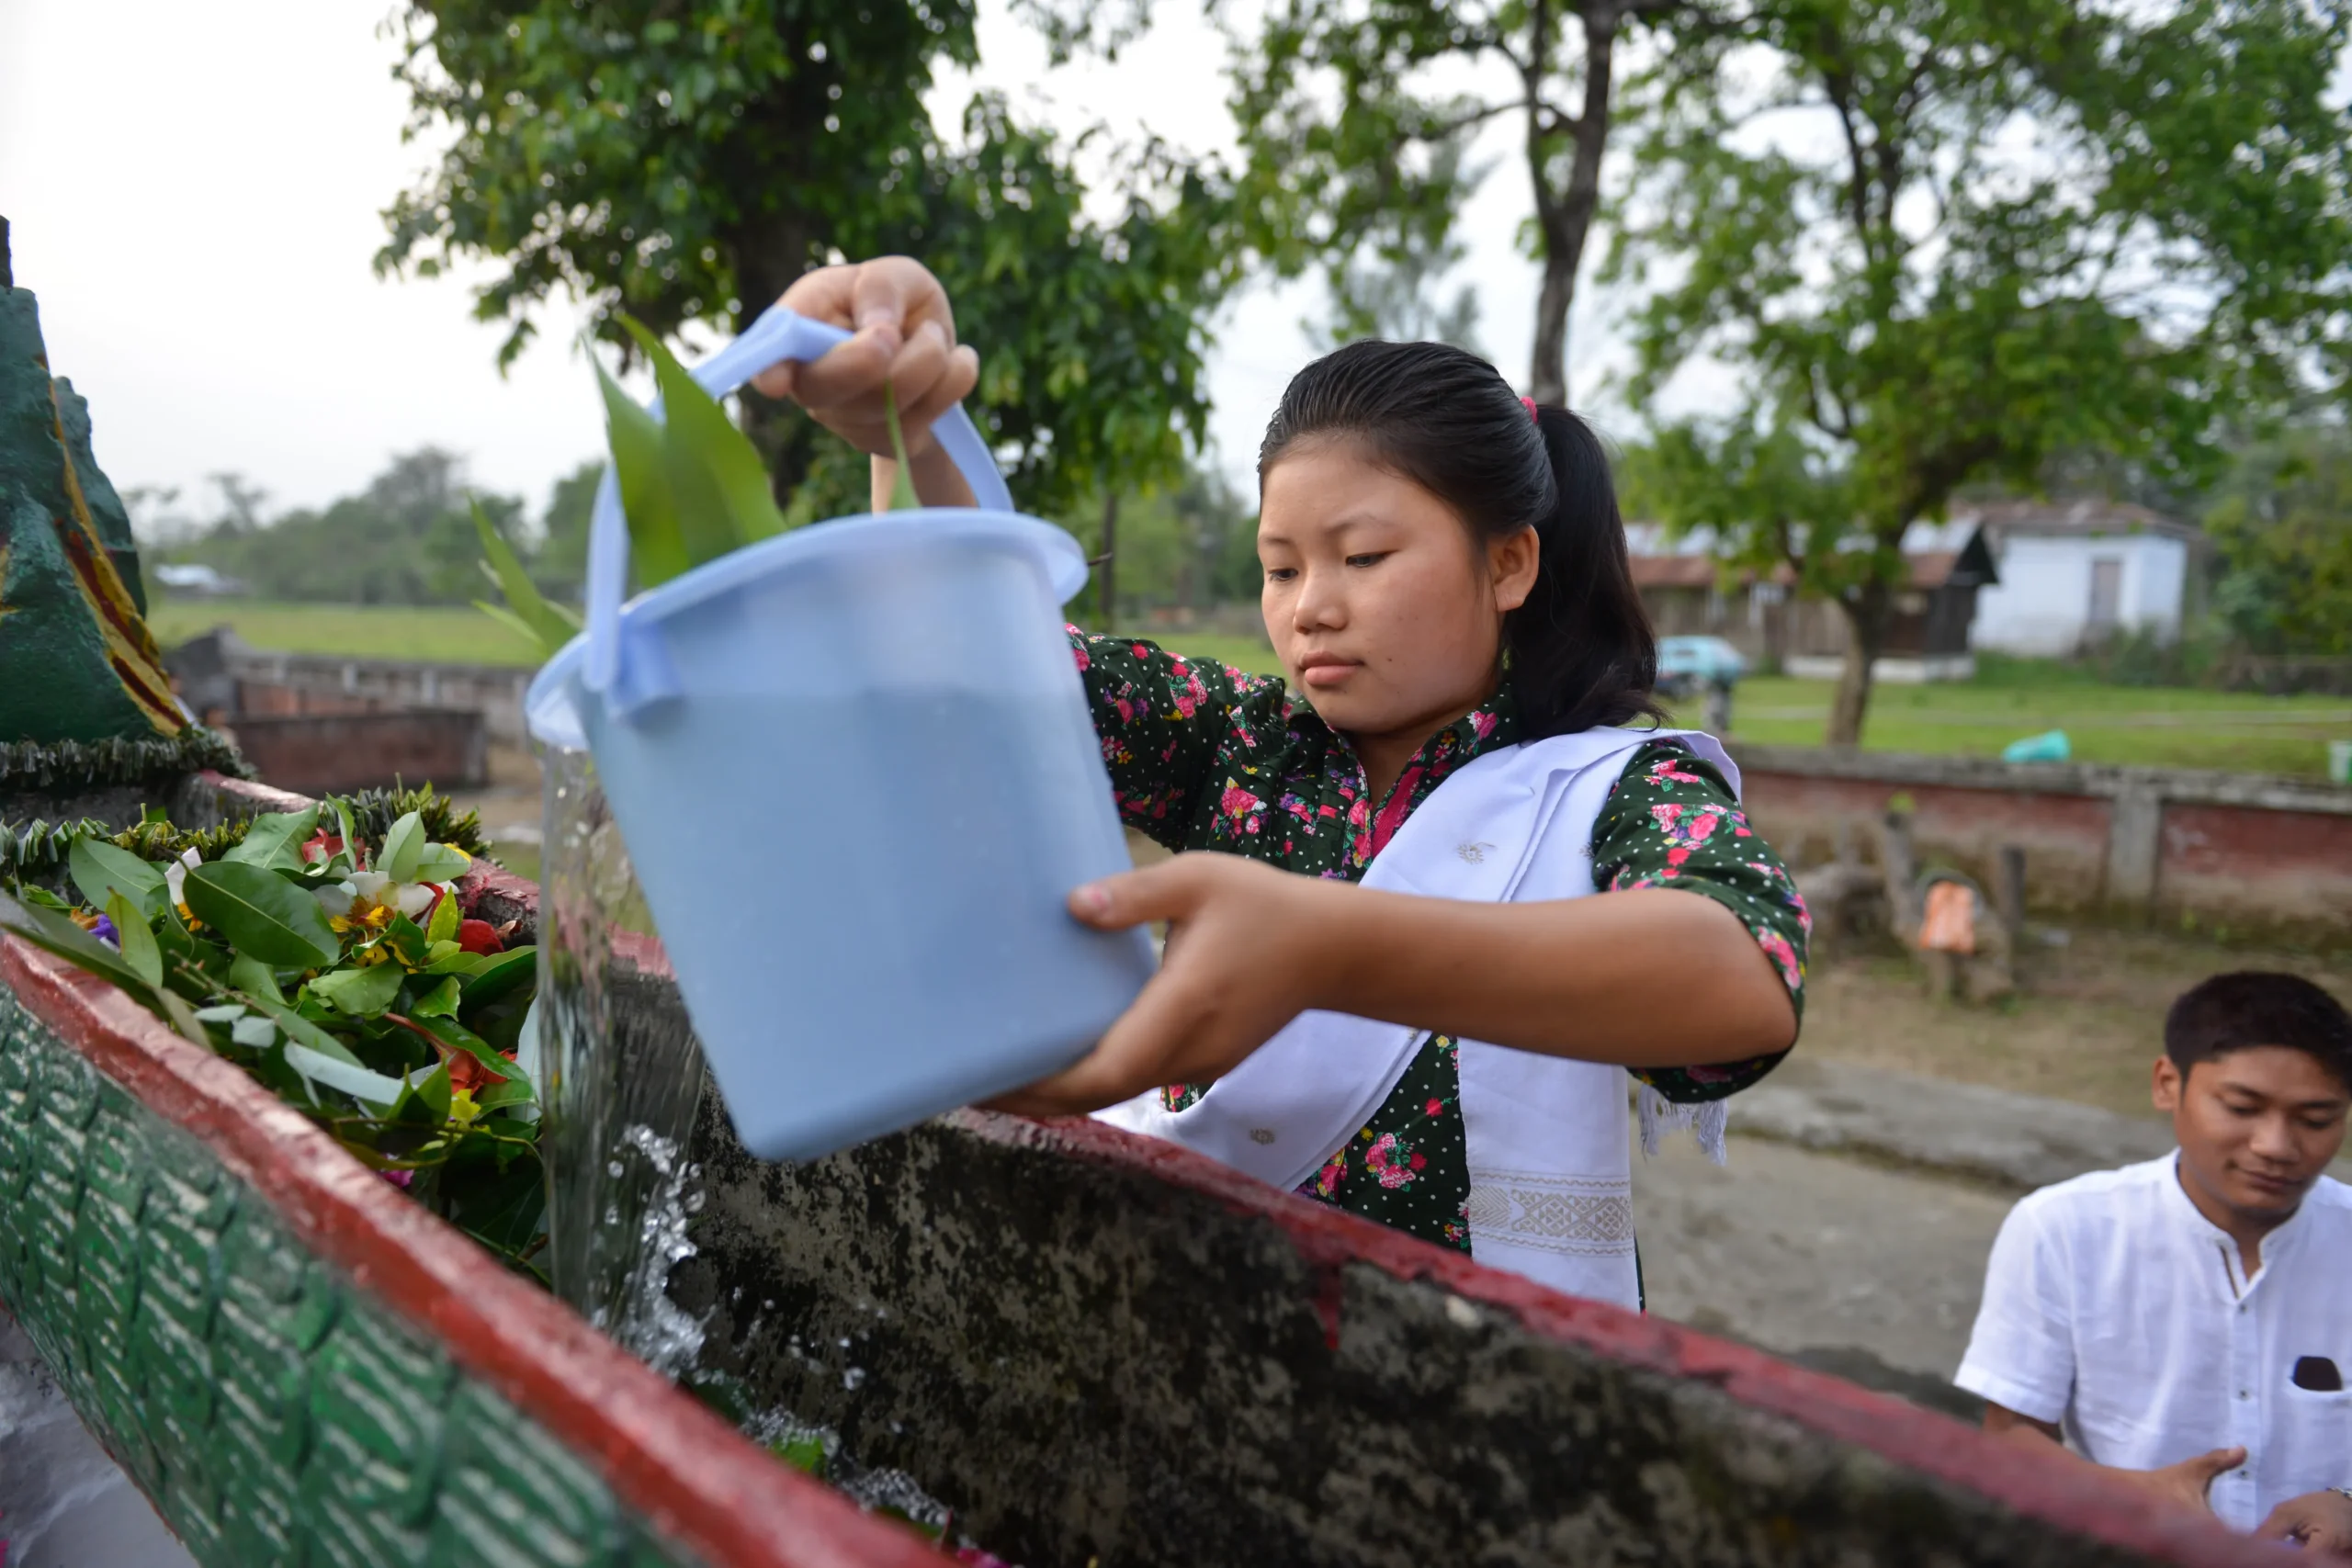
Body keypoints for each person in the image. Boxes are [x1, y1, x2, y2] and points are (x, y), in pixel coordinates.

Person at [754, 256, 1807, 1307]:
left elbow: (1742, 979)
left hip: (1482, 1386)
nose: (1310, 607)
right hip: (1193, 1330)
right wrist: (912, 426)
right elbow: (973, 660)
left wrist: (1324, 948)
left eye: (1361, 557)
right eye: (1280, 565)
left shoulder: (1611, 786)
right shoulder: (1239, 741)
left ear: (1508, 565)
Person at [1955, 972, 2352, 1553]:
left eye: (2316, 1121)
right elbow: (2012, 1435)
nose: (2276, 1145)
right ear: (2168, 1084)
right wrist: (2128, 1493)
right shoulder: (2062, 1230)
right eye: (2242, 1107)